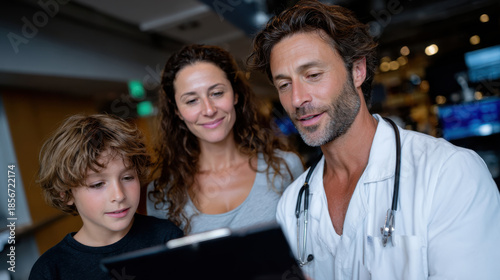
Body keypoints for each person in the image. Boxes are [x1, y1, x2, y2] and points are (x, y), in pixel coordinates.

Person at [247, 0, 500, 279]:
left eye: (313, 75)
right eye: (284, 84)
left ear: (358, 71)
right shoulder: (293, 204)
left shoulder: (449, 173)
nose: (297, 99)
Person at [147, 44, 304, 234]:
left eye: (217, 93)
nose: (209, 110)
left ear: (235, 94)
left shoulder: (284, 166)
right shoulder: (163, 193)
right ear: (177, 111)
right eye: (191, 100)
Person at [29, 114, 183, 280]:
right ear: (66, 193)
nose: (119, 195)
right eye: (97, 185)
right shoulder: (50, 270)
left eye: (127, 178)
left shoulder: (166, 237)